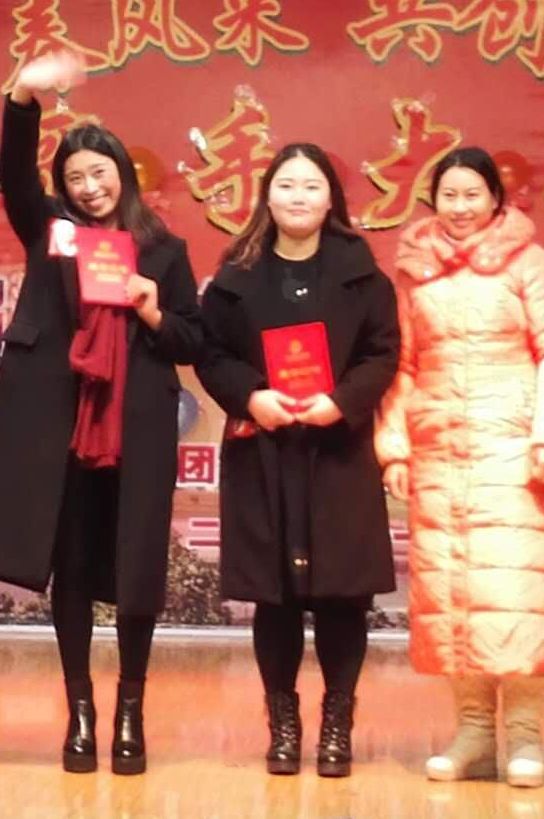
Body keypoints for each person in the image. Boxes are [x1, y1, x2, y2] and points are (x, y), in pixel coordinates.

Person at [0, 52, 203, 775]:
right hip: (61, 428)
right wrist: (22, 95)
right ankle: (81, 711)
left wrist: (153, 310)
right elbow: (15, 172)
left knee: (136, 574)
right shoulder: (51, 230)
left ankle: (130, 711)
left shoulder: (164, 249)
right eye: (76, 177)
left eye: (100, 172)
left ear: (124, 173)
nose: (89, 187)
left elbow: (193, 338)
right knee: (73, 571)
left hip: (135, 429)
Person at [375, 146, 544, 788]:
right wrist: (395, 448)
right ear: (433, 200)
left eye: (472, 195)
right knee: (454, 597)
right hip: (439, 453)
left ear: (495, 199)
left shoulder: (529, 261)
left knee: (517, 595)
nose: (460, 208)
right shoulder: (416, 271)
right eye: (449, 195)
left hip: (513, 450)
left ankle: (525, 737)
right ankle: (472, 734)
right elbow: (403, 365)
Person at [195, 143, 400, 776]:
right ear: (268, 195)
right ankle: (282, 725)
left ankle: (337, 725)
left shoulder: (363, 274)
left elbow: (382, 354)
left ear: (331, 197)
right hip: (265, 448)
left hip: (338, 449)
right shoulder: (237, 275)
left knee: (343, 597)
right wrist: (252, 397)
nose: (299, 197)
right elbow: (211, 354)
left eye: (312, 186)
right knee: (275, 598)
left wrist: (341, 403)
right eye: (286, 185)